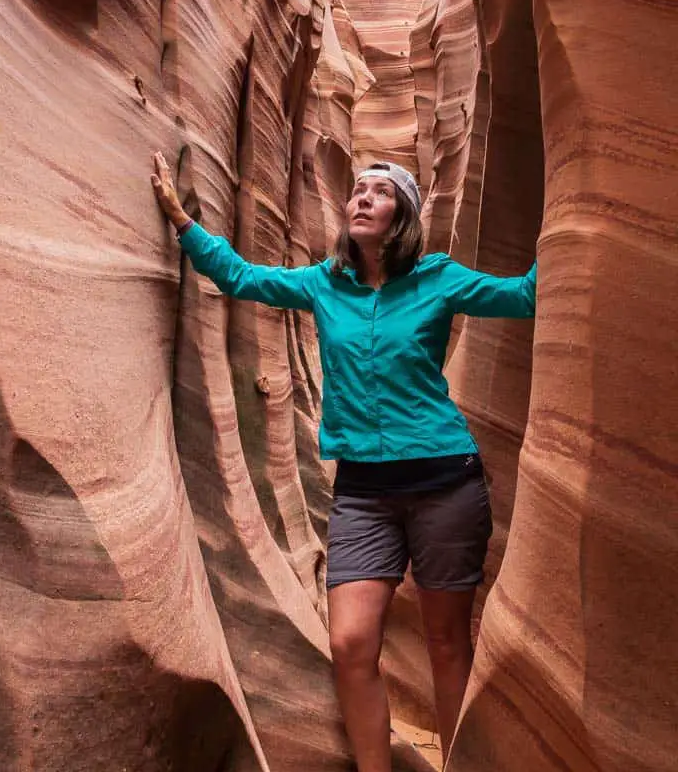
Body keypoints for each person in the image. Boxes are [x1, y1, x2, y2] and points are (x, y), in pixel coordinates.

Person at [150, 151, 536, 771]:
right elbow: (245, 279)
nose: (360, 198)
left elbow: (523, 297)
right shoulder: (323, 284)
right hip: (362, 492)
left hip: (445, 482)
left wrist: (575, 233)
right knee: (351, 643)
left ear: (402, 216)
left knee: (445, 643)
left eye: (378, 193)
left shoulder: (438, 278)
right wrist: (181, 221)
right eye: (356, 189)